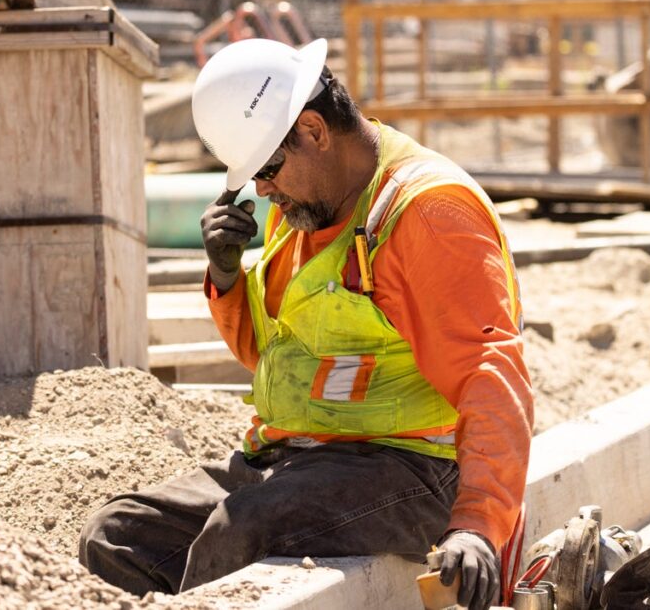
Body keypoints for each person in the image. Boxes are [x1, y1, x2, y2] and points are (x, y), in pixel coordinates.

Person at [79, 38, 533, 610]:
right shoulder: (304, 209)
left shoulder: (427, 213)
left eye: (267, 168)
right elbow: (275, 357)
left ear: (315, 131)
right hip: (297, 458)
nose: (262, 189)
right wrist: (225, 279)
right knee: (118, 534)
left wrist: (477, 524)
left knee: (240, 528)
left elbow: (491, 372)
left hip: (412, 468)